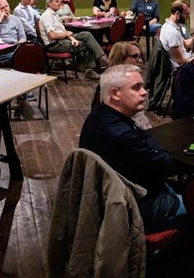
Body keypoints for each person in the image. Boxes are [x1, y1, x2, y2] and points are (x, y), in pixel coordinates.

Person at [80, 65, 187, 232]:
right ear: (115, 94)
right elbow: (168, 167)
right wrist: (154, 146)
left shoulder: (97, 116)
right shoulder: (123, 135)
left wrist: (151, 144)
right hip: (136, 207)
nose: (144, 92)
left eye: (142, 86)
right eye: (136, 87)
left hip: (112, 198)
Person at [40, 0, 109, 80]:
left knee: (86, 34)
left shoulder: (55, 14)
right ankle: (93, 68)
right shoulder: (46, 15)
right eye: (56, 1)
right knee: (87, 44)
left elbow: (64, 31)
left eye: (59, 1)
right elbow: (52, 35)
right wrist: (66, 34)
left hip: (62, 39)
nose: (59, 3)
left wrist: (72, 39)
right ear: (49, 4)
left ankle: (101, 59)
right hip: (54, 45)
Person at [90, 42, 151, 128]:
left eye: (140, 56)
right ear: (120, 59)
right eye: (134, 56)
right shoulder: (107, 86)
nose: (140, 60)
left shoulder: (131, 79)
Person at [159, 0, 194, 68]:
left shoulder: (167, 26)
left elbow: (185, 44)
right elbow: (180, 61)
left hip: (186, 60)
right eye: (186, 14)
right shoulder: (172, 32)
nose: (188, 16)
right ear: (178, 14)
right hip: (183, 68)